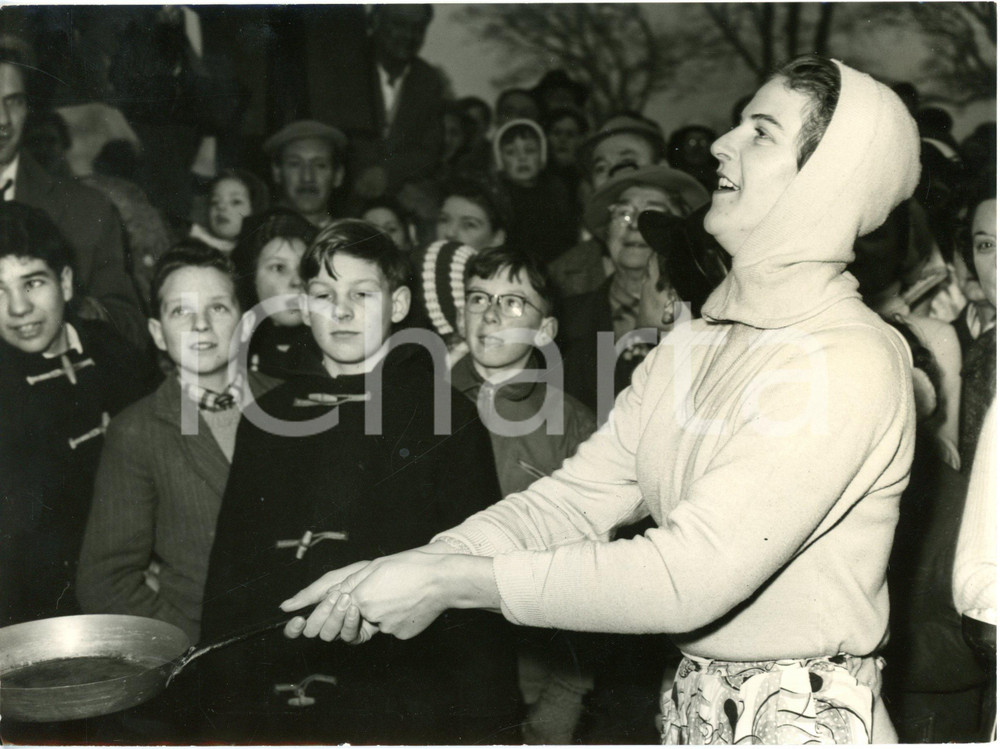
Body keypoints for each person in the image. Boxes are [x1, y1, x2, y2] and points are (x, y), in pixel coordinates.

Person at [282, 55, 920, 745]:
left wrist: (453, 582)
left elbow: (688, 573)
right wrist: (417, 562)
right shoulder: (697, 338)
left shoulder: (850, 356)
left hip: (796, 721)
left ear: (827, 181)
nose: (721, 145)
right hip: (691, 710)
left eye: (761, 132)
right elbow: (575, 499)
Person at [199, 219, 520, 744]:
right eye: (323, 294)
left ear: (397, 306)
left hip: (405, 693)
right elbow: (230, 572)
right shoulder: (268, 415)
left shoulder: (446, 416)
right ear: (303, 306)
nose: (341, 311)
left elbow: (475, 587)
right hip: (276, 696)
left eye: (361, 294)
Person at [77, 242, 280, 645]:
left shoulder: (289, 401)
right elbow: (105, 580)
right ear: (157, 332)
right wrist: (193, 646)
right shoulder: (137, 431)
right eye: (180, 311)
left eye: (218, 308)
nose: (200, 325)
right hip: (215, 659)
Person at [453, 246, 597, 742]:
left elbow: (592, 571)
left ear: (545, 331)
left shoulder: (572, 424)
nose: (490, 314)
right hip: (437, 665)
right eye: (478, 298)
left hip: (534, 667)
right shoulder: (416, 400)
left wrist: (569, 689)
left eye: (513, 302)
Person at [0, 202, 151, 628]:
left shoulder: (113, 350)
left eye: (32, 283)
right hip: (34, 601)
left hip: (131, 577)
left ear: (65, 283)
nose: (18, 308)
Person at [0, 45, 147, 352]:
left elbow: (132, 330)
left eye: (13, 102)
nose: (3, 120)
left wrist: (76, 311)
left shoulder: (86, 209)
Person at [559, 163, 709, 416]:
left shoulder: (706, 321)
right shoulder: (565, 319)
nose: (634, 226)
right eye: (623, 214)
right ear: (606, 233)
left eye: (651, 215)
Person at [548, 112, 669, 298]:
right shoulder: (562, 273)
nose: (614, 174)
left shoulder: (695, 262)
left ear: (662, 169)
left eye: (627, 162)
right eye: (601, 167)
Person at [349, 4, 445, 200]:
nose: (409, 35)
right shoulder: (346, 66)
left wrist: (388, 173)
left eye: (418, 28)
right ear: (375, 21)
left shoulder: (428, 80)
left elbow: (429, 152)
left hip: (398, 196)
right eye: (399, 24)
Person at [410, 176, 509, 348]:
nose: (450, 232)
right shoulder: (414, 278)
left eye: (469, 225)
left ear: (497, 238)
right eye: (444, 220)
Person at [230, 208, 319, 377]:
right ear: (251, 277)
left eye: (304, 268)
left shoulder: (335, 350)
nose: (297, 281)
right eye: (279, 267)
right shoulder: (230, 353)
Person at [494, 118, 578, 266]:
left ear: (542, 157)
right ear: (500, 161)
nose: (522, 158)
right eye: (511, 152)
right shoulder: (498, 199)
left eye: (530, 150)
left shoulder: (556, 195)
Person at [264, 119, 348, 228]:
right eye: (295, 164)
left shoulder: (352, 240)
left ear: (338, 176)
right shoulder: (256, 239)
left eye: (320, 165)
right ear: (277, 173)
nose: (307, 177)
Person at [189, 169, 270, 255]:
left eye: (235, 202)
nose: (221, 207)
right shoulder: (192, 245)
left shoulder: (263, 253)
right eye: (215, 202)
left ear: (255, 209)